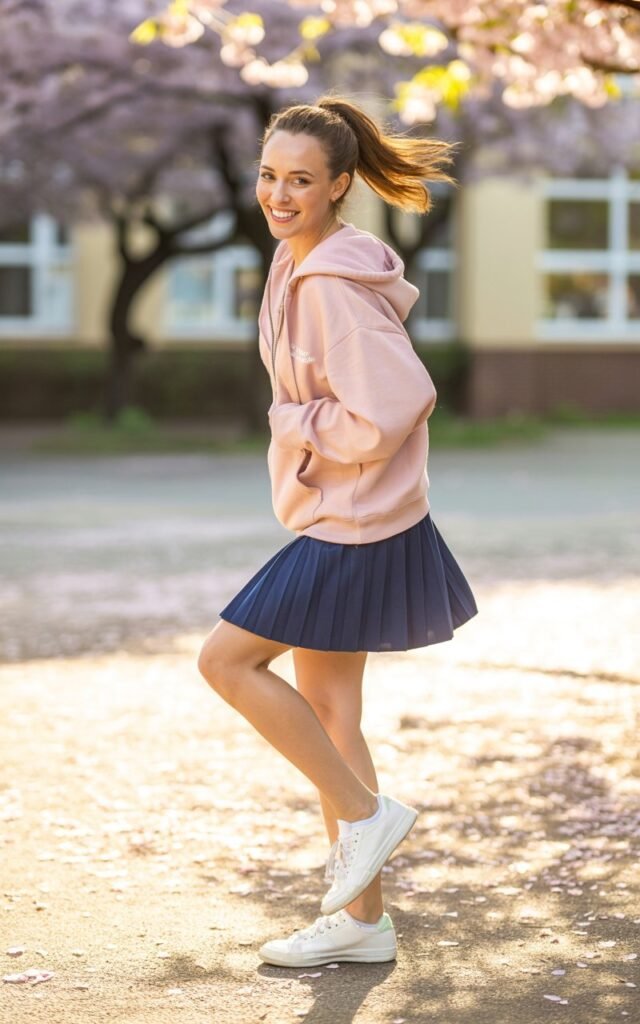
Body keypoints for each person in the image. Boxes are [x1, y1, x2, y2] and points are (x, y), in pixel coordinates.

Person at [197, 94, 479, 968]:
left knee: (226, 661)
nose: (279, 195)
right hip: (345, 512)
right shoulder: (295, 264)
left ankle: (365, 815)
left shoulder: (328, 286)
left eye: (301, 182)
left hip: (355, 521)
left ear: (340, 186)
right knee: (330, 709)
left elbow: (397, 402)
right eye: (270, 176)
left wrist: (303, 432)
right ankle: (363, 923)